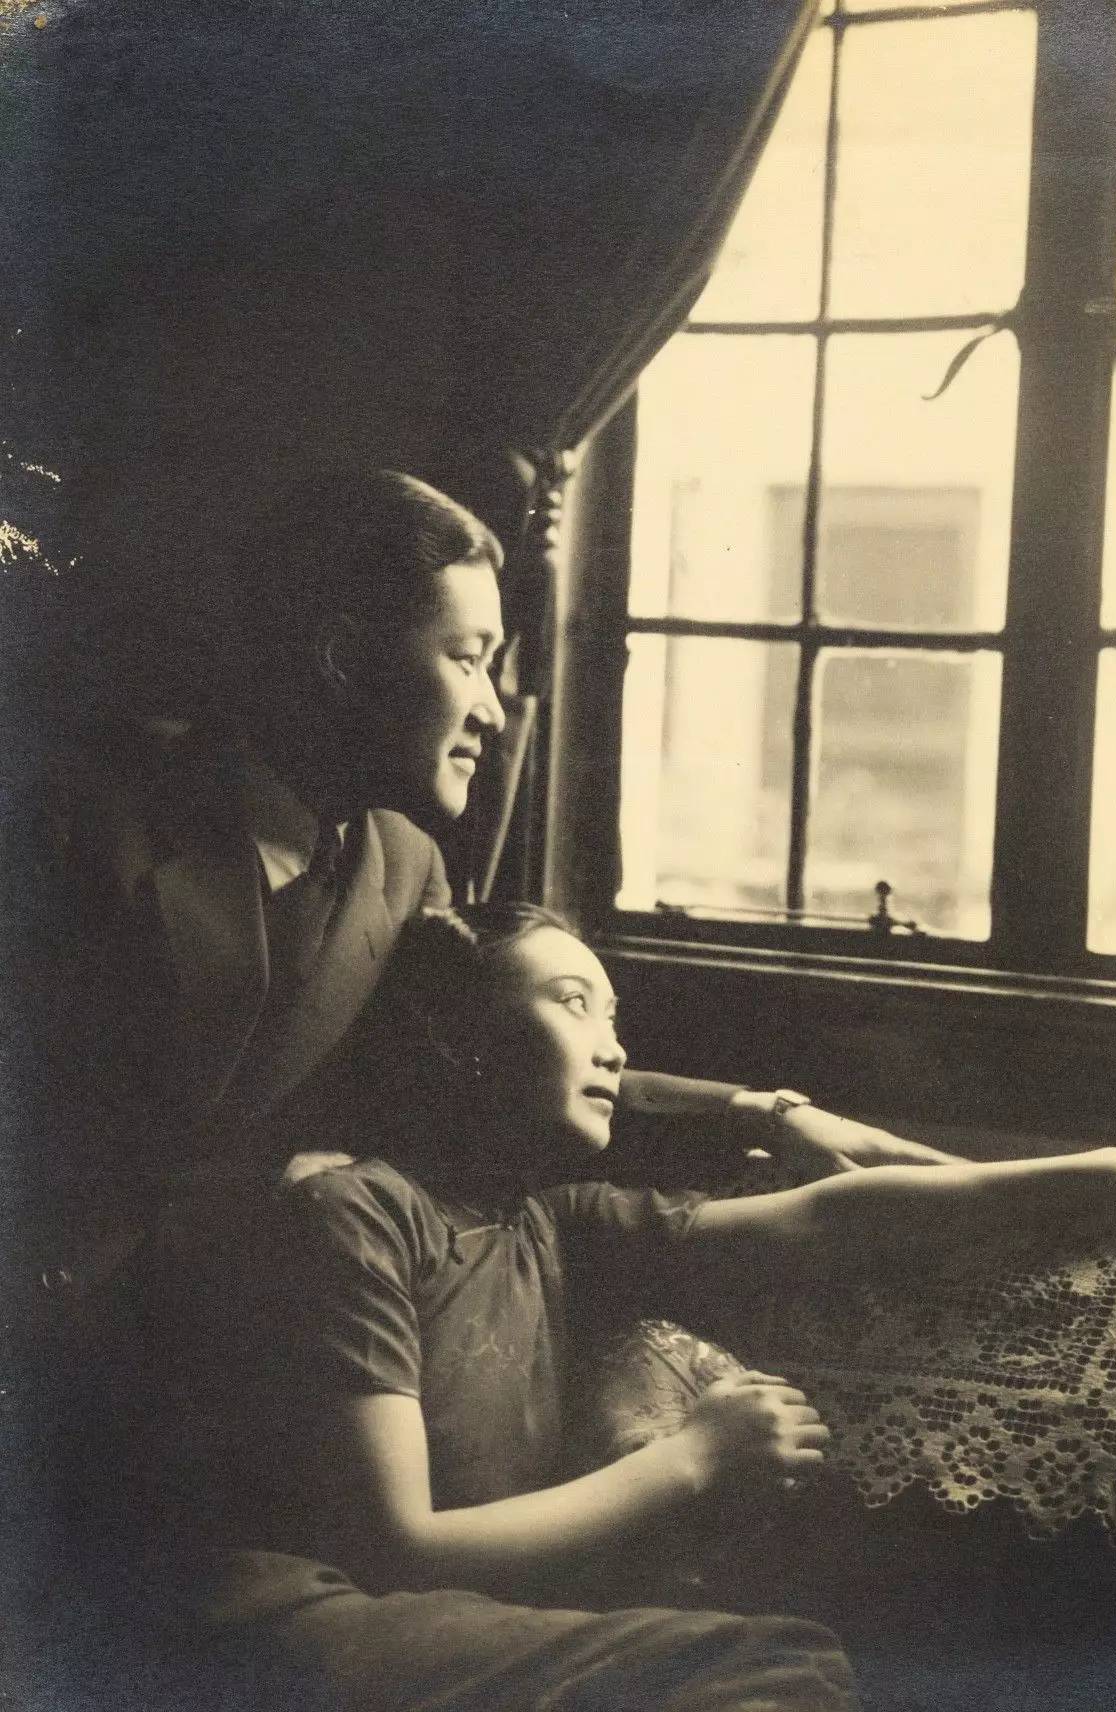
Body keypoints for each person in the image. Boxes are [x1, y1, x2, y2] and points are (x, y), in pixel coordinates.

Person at [120, 903, 1116, 1712]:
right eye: (573, 1002)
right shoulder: (359, 1211)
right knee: (767, 1670)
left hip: (419, 1617)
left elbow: (829, 1221)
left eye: (614, 1013)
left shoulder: (552, 1220)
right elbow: (395, 1542)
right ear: (456, 1039)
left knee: (787, 1656)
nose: (613, 1046)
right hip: (286, 1619)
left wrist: (1109, 1173)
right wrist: (691, 1459)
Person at [2, 466, 954, 1337]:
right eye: (468, 659)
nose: (495, 711)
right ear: (342, 657)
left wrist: (764, 1115)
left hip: (225, 1342)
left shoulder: (403, 866)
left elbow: (501, 1073)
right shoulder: (67, 820)